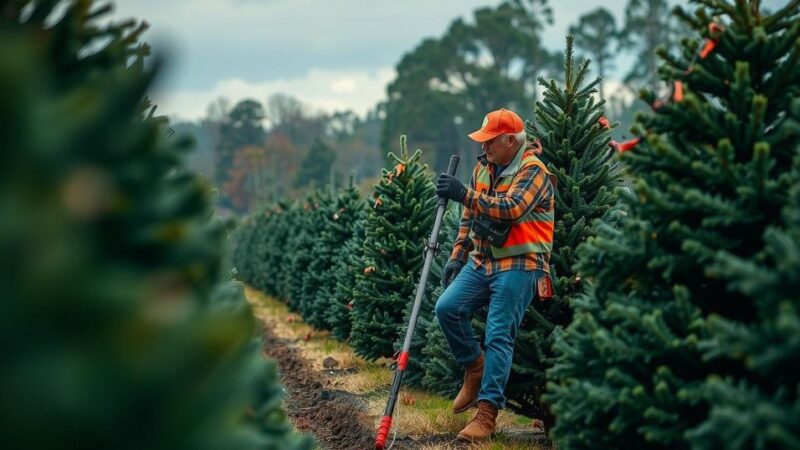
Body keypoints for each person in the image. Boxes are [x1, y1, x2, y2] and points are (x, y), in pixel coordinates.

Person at [434, 108, 555, 443]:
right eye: (483, 141)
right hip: (483, 260)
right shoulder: (482, 168)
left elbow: (512, 208)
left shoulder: (534, 170)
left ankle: (486, 417)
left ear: (510, 141)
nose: (484, 147)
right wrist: (457, 257)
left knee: (499, 333)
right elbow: (469, 216)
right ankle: (475, 366)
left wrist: (463, 192)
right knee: (447, 308)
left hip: (521, 262)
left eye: (490, 141)